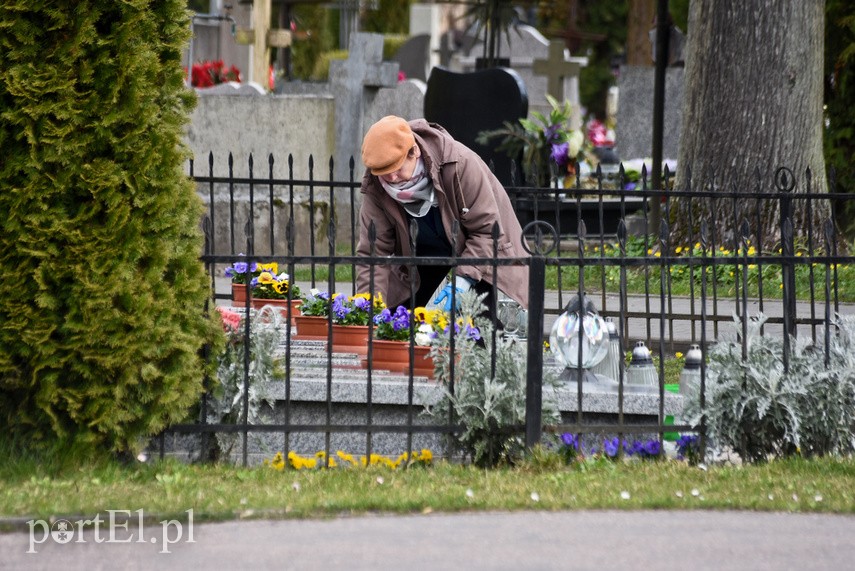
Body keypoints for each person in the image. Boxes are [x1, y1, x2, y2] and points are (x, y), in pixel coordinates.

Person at [355, 115, 530, 317]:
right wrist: (368, 309)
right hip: (422, 257)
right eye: (383, 172)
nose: (392, 179)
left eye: (397, 168)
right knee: (398, 330)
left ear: (415, 152)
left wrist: (463, 280)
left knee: (480, 333)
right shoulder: (376, 187)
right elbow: (373, 254)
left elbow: (487, 231)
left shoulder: (459, 163)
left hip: (478, 252)